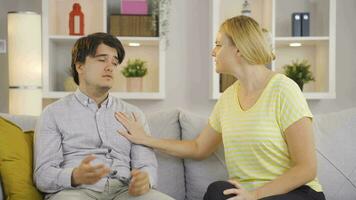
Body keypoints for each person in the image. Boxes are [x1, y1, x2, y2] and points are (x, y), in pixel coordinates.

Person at [115, 16, 326, 200]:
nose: (212, 52)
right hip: (246, 194)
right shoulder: (227, 99)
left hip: (294, 193)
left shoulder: (284, 90)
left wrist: (255, 195)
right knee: (217, 191)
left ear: (239, 49)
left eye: (218, 44)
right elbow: (199, 148)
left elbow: (306, 168)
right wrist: (146, 139)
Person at [34, 32, 173, 200]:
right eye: (102, 60)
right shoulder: (53, 113)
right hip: (76, 192)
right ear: (80, 66)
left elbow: (146, 165)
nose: (110, 67)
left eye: (114, 62)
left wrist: (146, 179)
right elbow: (43, 175)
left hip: (125, 191)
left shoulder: (134, 114)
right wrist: (75, 176)